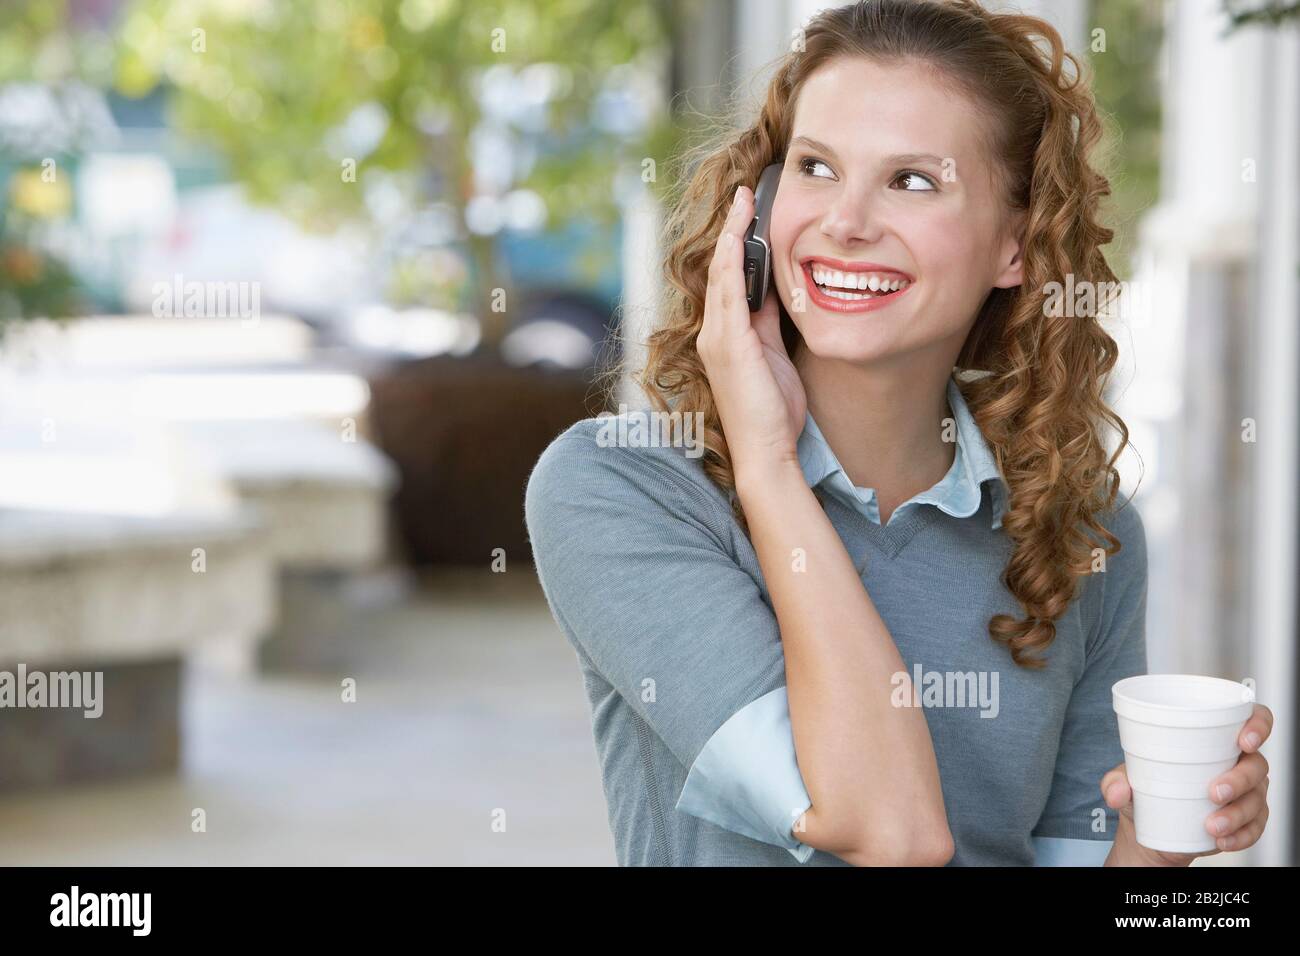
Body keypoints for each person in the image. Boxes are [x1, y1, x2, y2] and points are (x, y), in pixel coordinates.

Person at [524, 0, 1272, 866]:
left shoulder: (1080, 535)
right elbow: (885, 829)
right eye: (815, 167)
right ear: (758, 207)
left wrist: (1164, 835)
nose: (845, 221)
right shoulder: (625, 490)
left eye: (913, 180)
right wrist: (768, 466)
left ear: (1016, 249)